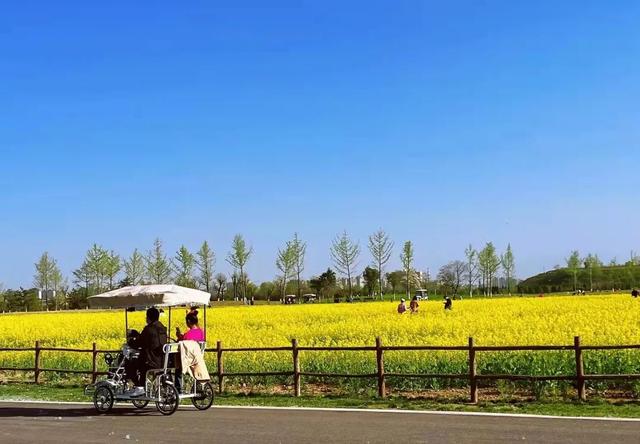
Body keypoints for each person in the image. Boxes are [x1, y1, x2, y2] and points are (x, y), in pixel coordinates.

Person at [130, 307, 167, 396]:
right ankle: (143, 386)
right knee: (140, 361)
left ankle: (140, 386)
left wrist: (130, 341)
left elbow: (139, 342)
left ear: (148, 317)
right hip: (163, 361)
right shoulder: (162, 328)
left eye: (146, 316)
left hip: (150, 362)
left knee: (131, 364)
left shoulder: (149, 329)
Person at [175, 310, 205, 392]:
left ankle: (178, 389)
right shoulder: (201, 332)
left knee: (177, 369)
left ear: (188, 321)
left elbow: (181, 344)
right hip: (197, 358)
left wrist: (178, 336)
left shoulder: (188, 334)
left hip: (188, 359)